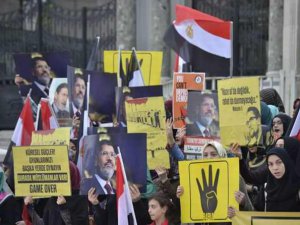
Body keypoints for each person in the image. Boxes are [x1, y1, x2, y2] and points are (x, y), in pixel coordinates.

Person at [255, 147, 300, 211]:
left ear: (286, 162)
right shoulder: (266, 189)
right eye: (270, 164)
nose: (275, 168)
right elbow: (256, 215)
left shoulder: (297, 188)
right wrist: (243, 203)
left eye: (279, 162)